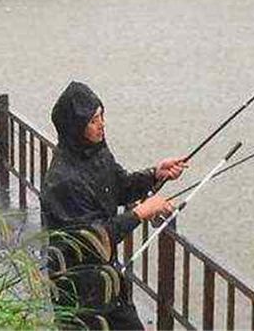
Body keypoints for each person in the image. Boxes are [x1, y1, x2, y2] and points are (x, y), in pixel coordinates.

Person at [40, 81, 187, 330]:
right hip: (78, 290)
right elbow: (93, 238)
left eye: (102, 116)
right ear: (76, 127)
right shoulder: (62, 180)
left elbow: (120, 187)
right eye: (93, 121)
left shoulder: (97, 152)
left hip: (110, 284)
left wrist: (156, 174)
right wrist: (142, 212)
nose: (102, 125)